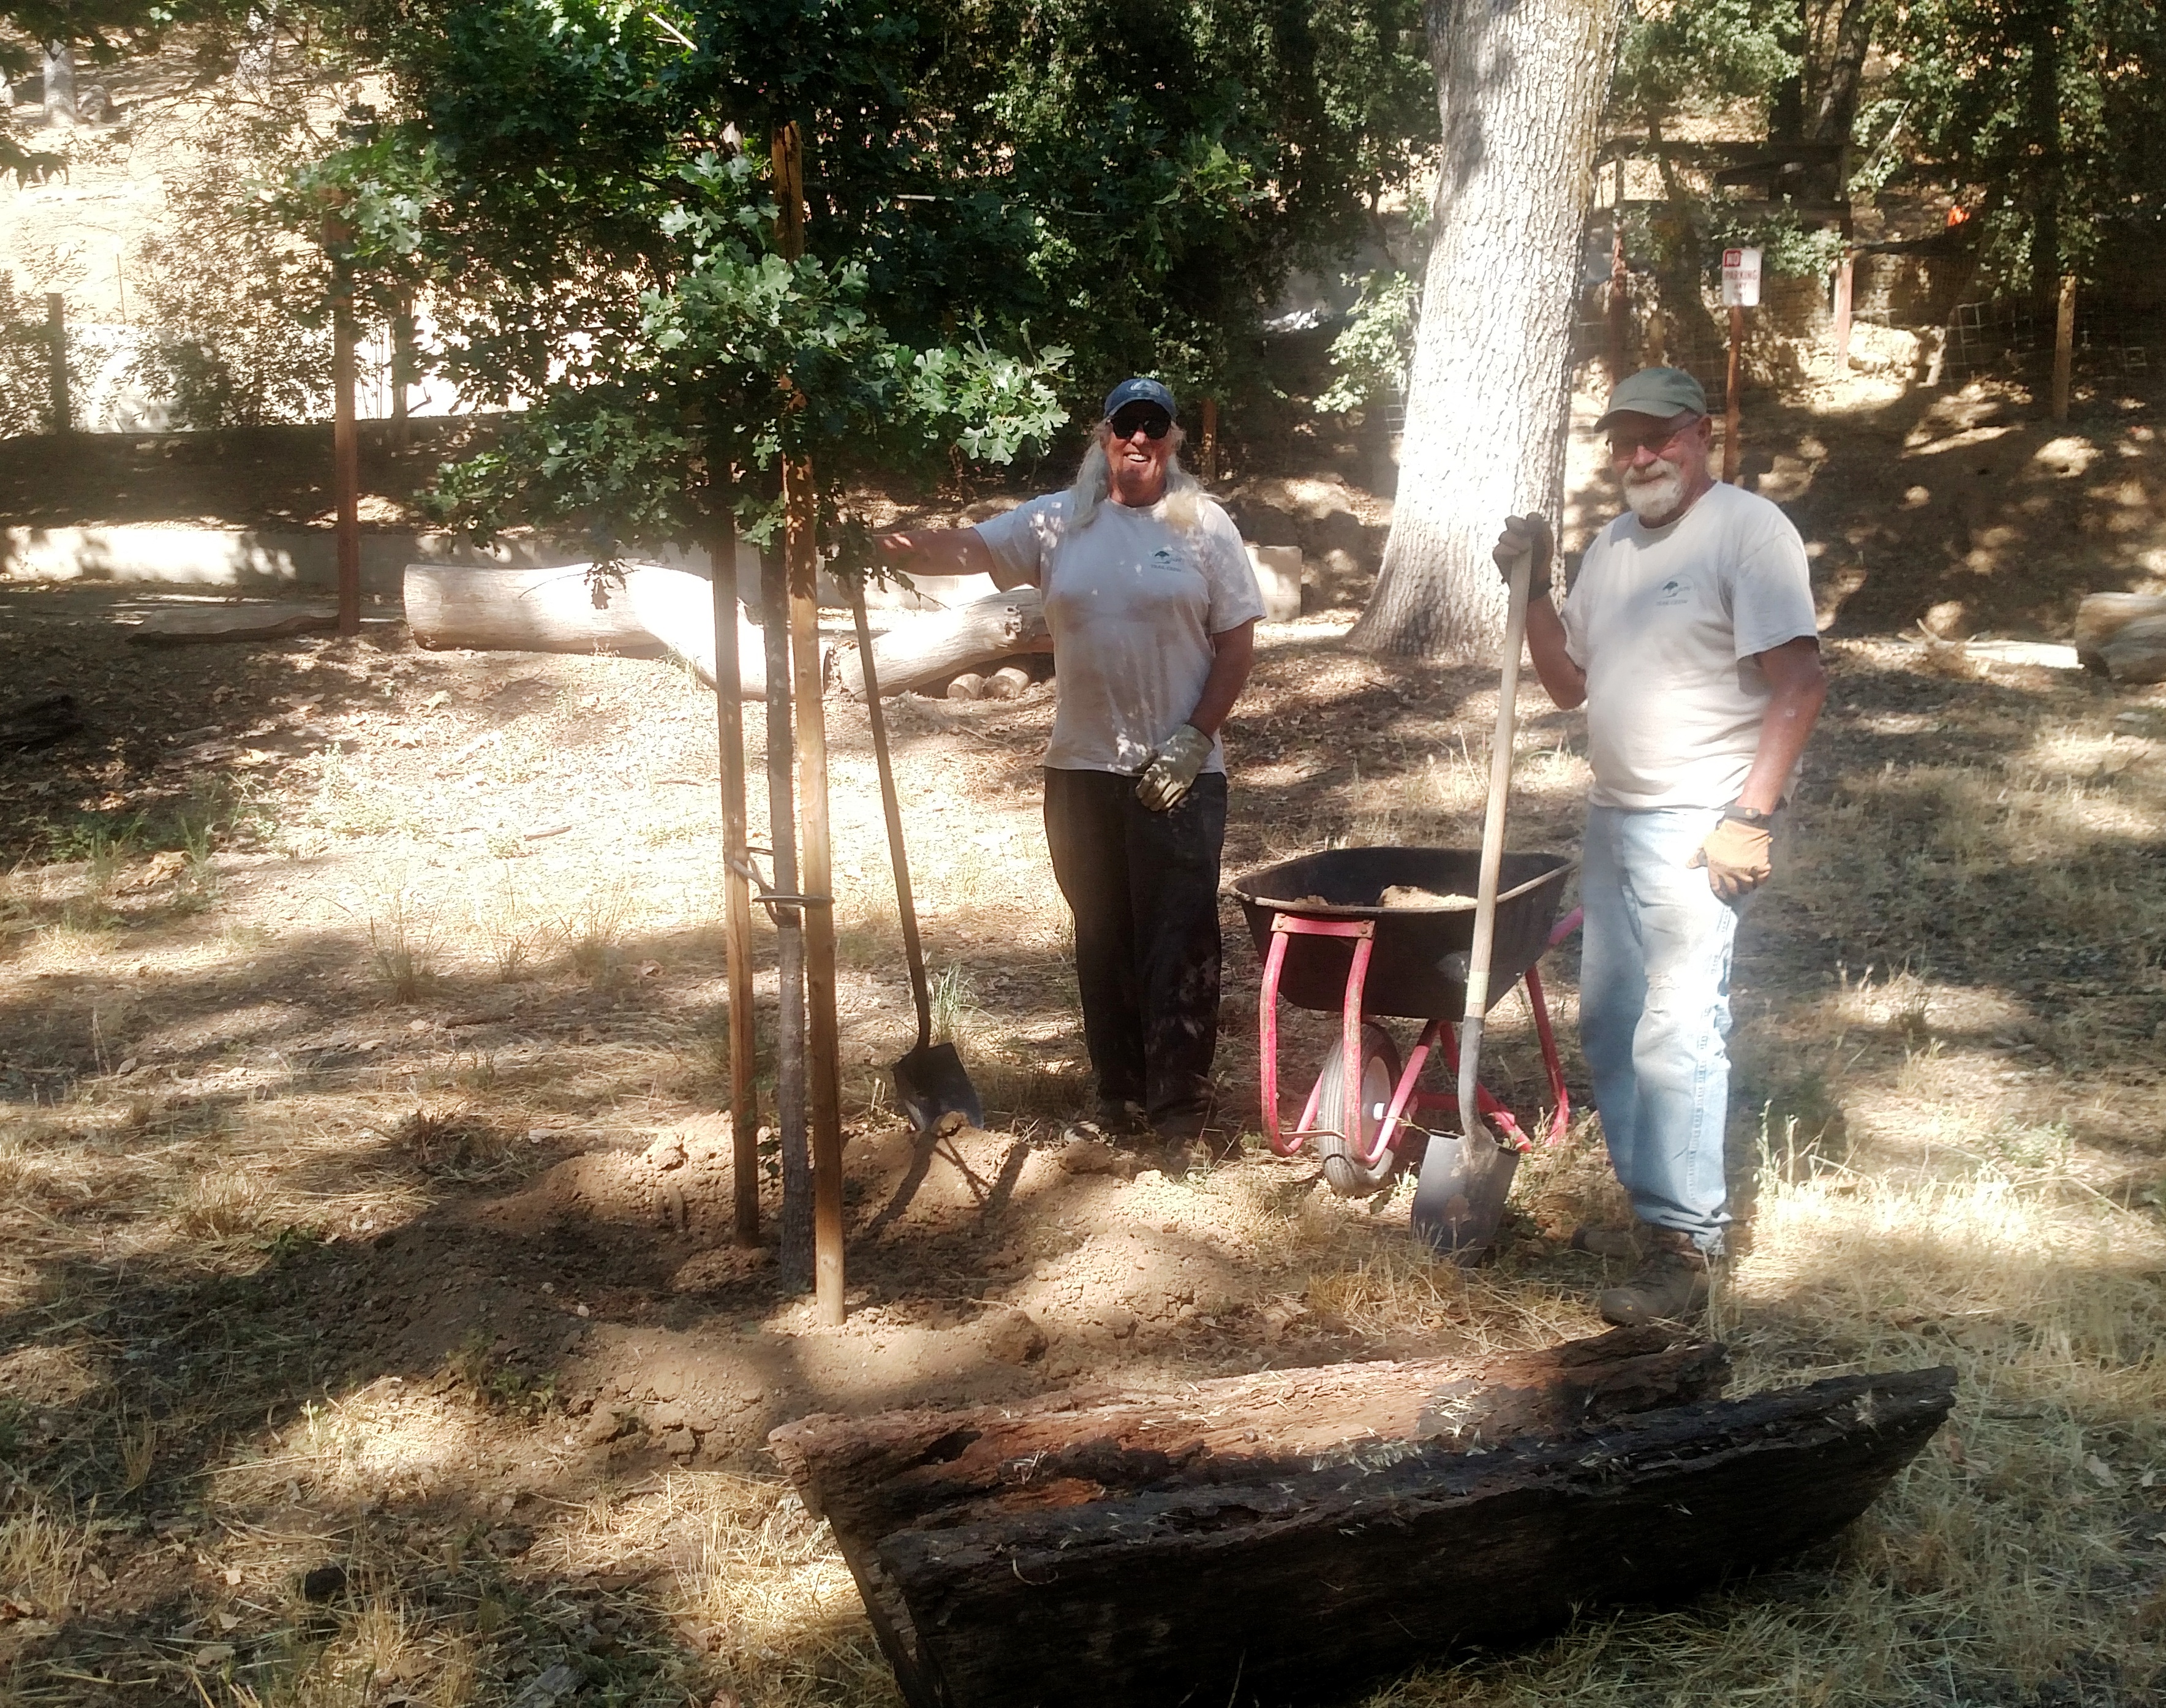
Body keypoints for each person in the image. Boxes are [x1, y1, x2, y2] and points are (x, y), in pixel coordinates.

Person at [1500, 366, 1827, 1324]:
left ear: (1700, 436)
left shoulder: (1748, 532)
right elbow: (1569, 684)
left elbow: (1799, 683)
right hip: (1616, 815)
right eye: (1623, 441)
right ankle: (1654, 1210)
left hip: (1699, 825)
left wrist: (1750, 815)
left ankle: (1687, 1246)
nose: (1640, 456)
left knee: (1679, 1028)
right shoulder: (1610, 548)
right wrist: (1531, 593)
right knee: (1610, 1021)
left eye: (1659, 437)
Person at [877, 377, 1265, 1165]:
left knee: (1178, 938)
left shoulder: (1202, 526)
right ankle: (1119, 1096)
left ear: (1172, 440)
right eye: (1126, 424)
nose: (1139, 439)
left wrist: (1195, 738)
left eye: (1155, 426)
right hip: (1081, 770)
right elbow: (971, 547)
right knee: (1102, 935)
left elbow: (1236, 642)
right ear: (1103, 435)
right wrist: (885, 545)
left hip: (1179, 772)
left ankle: (1180, 1113)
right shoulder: (1060, 521)